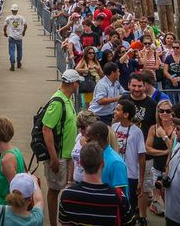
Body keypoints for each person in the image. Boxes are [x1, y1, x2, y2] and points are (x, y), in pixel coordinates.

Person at [56, 143, 132, 226]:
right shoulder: (119, 197)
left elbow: (65, 223)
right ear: (103, 163)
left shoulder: (67, 196)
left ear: (81, 163)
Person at [42, 70, 81, 226]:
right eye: (78, 82)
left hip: (67, 155)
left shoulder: (67, 99)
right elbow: (46, 129)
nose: (79, 85)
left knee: (63, 189)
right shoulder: (58, 102)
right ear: (73, 83)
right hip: (59, 156)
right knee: (54, 190)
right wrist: (53, 158)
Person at [112, 101, 145, 222]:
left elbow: (141, 156)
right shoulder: (114, 127)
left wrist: (141, 180)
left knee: (128, 206)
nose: (115, 112)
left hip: (130, 175)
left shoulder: (137, 132)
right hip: (115, 173)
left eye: (118, 110)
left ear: (126, 114)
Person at [145, 101, 176, 219]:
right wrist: (164, 152)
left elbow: (175, 150)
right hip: (157, 169)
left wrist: (164, 136)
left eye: (168, 111)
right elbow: (147, 149)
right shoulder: (153, 128)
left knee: (171, 198)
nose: (164, 113)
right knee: (160, 195)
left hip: (172, 169)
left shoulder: (176, 128)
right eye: (161, 111)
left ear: (172, 112)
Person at [0, 116, 25, 208]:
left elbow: (15, 192)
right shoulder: (15, 150)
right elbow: (5, 179)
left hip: (6, 209)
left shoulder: (6, 160)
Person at [83, 122, 128, 195]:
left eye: (88, 136)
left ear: (97, 137)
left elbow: (121, 196)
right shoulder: (94, 156)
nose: (86, 140)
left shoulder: (116, 163)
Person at [4, 4, 28, 71]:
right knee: (19, 51)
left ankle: (12, 63)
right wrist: (24, 31)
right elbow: (25, 25)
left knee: (12, 50)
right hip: (19, 37)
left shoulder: (8, 18)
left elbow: (5, 26)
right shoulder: (21, 17)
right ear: (17, 10)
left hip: (11, 36)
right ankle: (19, 62)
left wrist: (5, 32)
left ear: (11, 10)